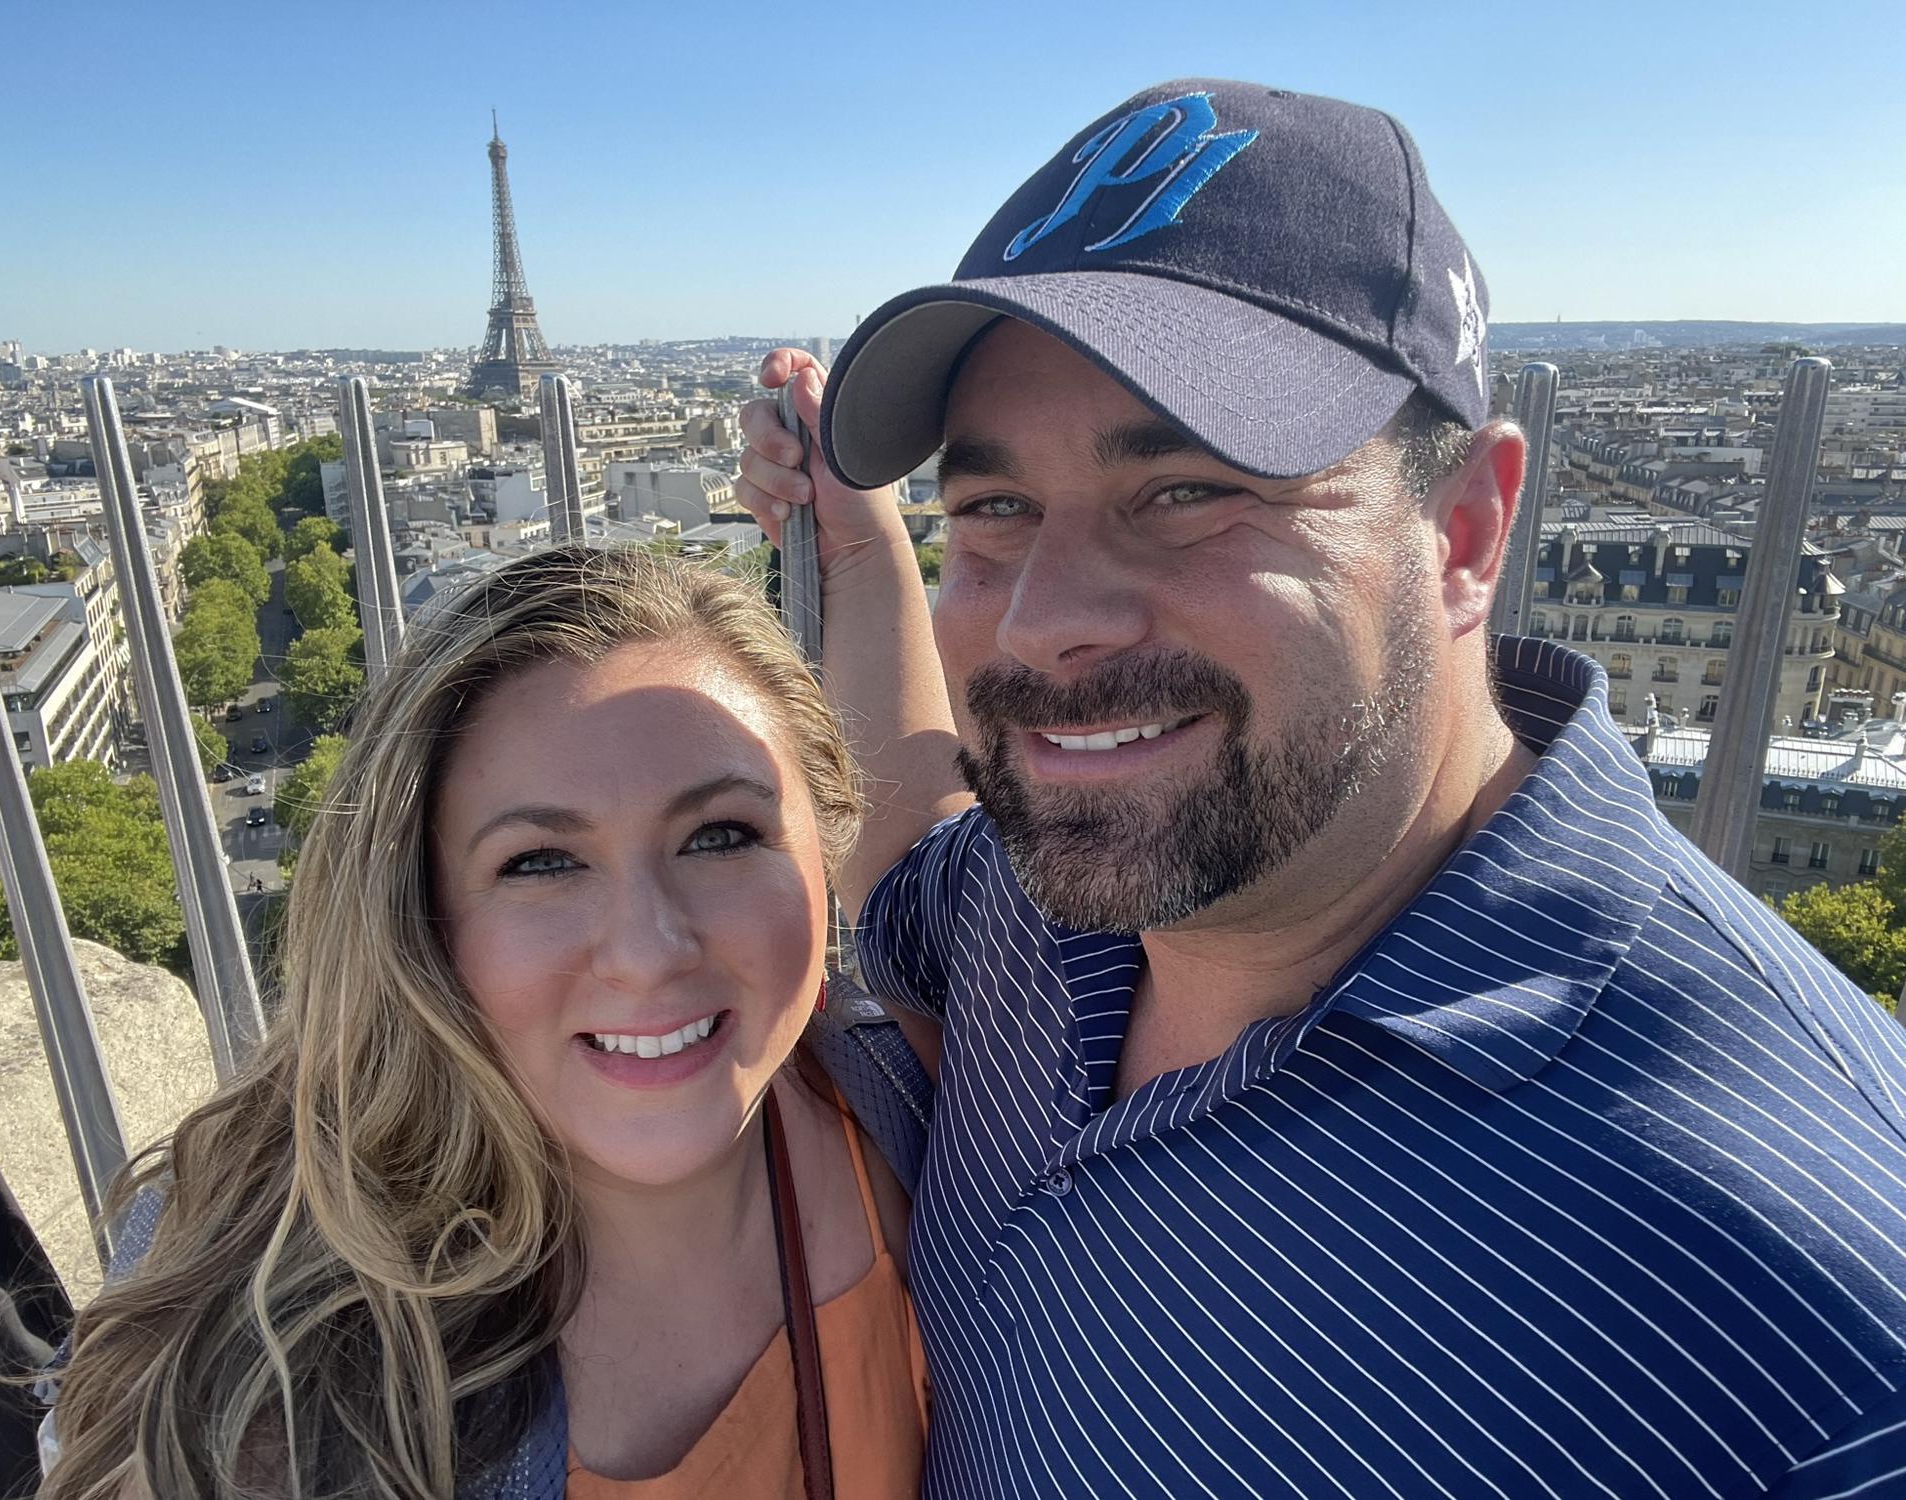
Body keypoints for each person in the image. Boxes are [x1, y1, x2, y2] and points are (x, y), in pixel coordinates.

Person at [737, 77, 1906, 1497]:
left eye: (1184, 491)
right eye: (992, 507)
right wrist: (861, 546)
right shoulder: (1047, 898)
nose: (1043, 619)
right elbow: (910, 822)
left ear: (1465, 529)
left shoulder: (1816, 1295)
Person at [38, 547, 928, 1499]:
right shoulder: (270, 1413)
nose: (648, 949)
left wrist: (867, 542)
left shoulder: (923, 1105)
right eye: (541, 862)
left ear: (828, 851)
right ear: (422, 914)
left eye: (720, 837)